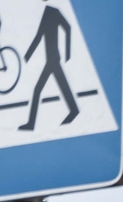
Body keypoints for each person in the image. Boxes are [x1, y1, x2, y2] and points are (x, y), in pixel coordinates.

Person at [18, 2, 79, 131]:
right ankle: (74, 110)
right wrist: (26, 57)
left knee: (37, 89)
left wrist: (68, 53)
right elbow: (38, 37)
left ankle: (31, 123)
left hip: (53, 59)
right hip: (51, 59)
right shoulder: (45, 14)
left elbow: (67, 27)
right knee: (63, 86)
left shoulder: (53, 12)